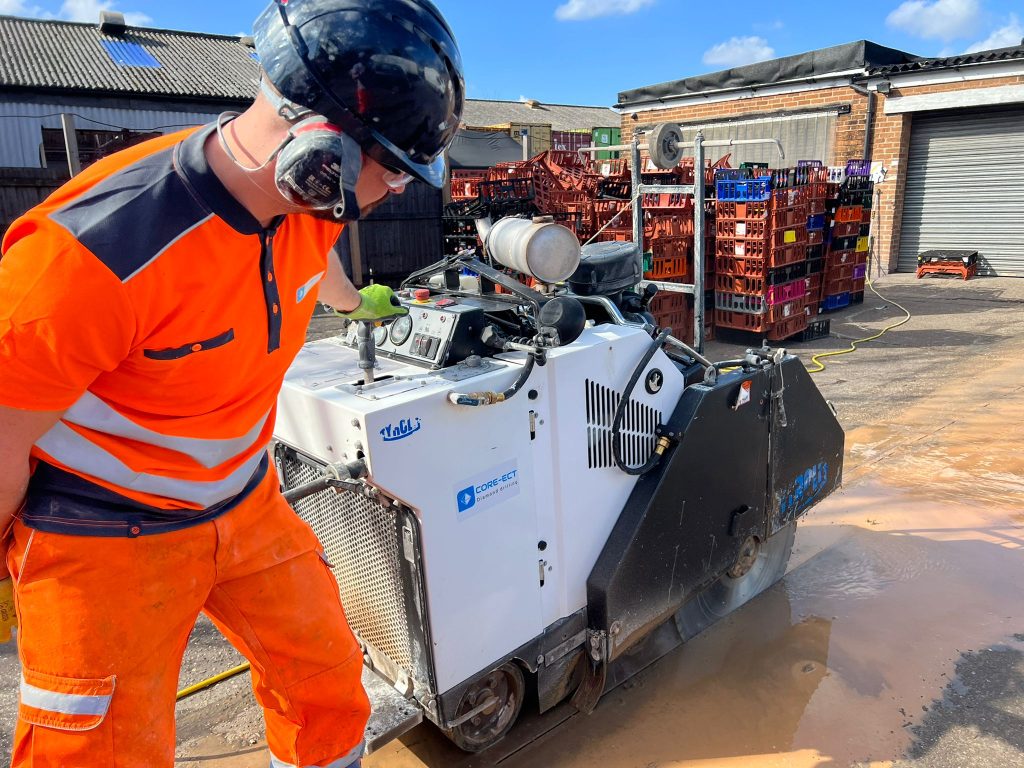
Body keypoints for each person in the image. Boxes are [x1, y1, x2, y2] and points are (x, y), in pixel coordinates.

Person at [0, 0, 464, 765]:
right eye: (395, 166)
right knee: (96, 746)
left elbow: (321, 263)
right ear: (322, 151)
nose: (403, 190)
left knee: (324, 680)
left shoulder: (309, 202)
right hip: (103, 531)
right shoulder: (86, 259)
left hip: (243, 498)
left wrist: (362, 304)